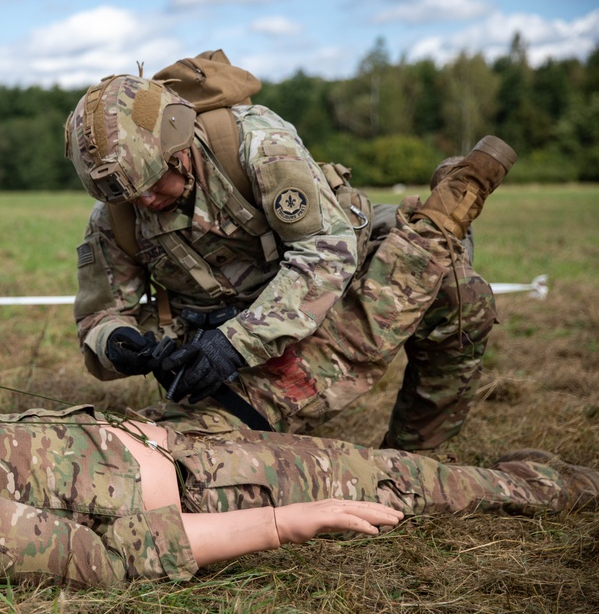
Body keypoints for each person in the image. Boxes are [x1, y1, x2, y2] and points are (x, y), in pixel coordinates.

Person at [0, 334, 599, 588]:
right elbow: (101, 557)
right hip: (230, 484)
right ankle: (563, 484)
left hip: (187, 440)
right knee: (459, 488)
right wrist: (284, 521)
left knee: (428, 469)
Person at [65, 70, 513, 451]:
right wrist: (118, 342)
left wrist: (234, 343)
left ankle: (416, 457)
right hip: (218, 349)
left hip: (315, 295)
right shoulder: (117, 215)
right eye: (128, 195)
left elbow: (324, 257)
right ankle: (440, 215)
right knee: (206, 446)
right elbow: (99, 316)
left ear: (177, 141)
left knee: (459, 293)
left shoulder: (257, 145)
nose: (145, 199)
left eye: (154, 181)